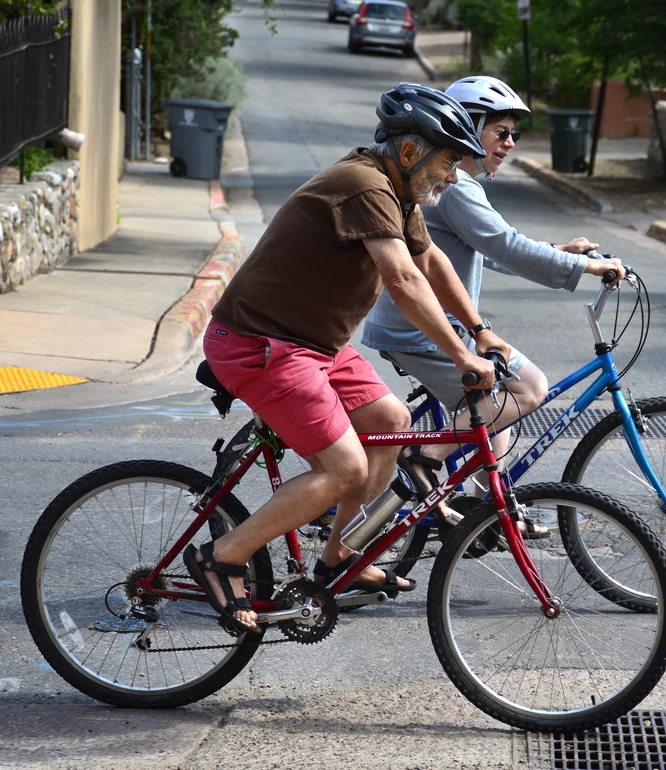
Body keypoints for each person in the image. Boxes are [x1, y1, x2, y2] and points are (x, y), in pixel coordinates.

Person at [185, 83, 513, 634]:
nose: (454, 175)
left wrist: (480, 331)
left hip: (315, 345)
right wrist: (460, 356)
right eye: (449, 161)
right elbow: (402, 277)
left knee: (391, 421)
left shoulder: (398, 191)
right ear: (411, 153)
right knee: (345, 467)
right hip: (261, 343)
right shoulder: (364, 185)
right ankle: (221, 556)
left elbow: (428, 261)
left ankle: (340, 556)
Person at [362, 76, 624, 527]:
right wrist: (587, 268)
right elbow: (504, 244)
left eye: (514, 135)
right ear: (468, 124)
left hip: (423, 324)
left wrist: (559, 254)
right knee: (528, 388)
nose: (509, 143)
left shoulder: (453, 181)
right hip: (420, 328)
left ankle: (491, 513)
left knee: (494, 406)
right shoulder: (456, 185)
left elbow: (488, 247)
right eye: (500, 131)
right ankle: (423, 459)